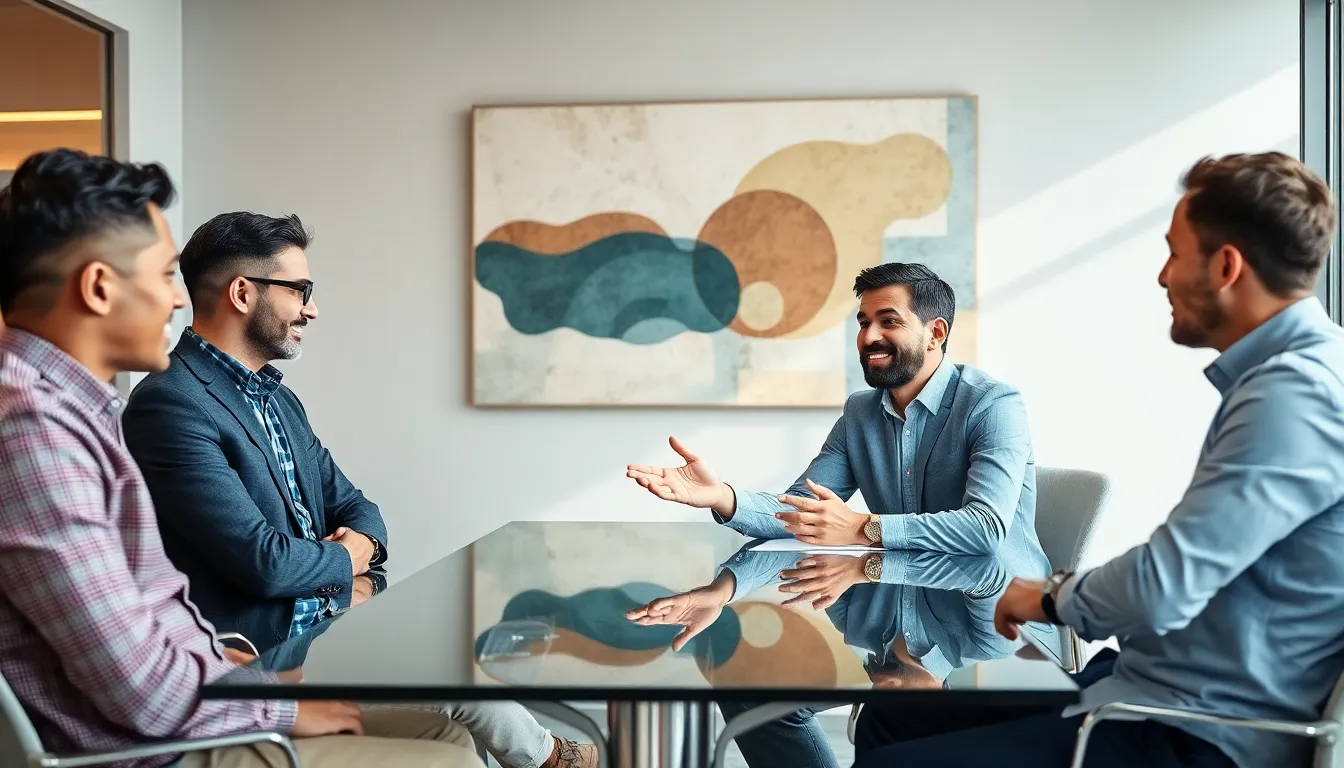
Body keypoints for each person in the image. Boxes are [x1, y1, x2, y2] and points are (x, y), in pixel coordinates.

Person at [0, 148, 481, 767]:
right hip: (145, 751)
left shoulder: (71, 412)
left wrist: (249, 677)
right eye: (164, 275)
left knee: (445, 733)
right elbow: (139, 687)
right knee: (448, 756)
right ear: (98, 288)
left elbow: (154, 615)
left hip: (196, 700)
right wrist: (278, 707)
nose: (177, 302)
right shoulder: (32, 431)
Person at [861, 151, 1344, 768]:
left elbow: (1163, 586)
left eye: (1175, 252)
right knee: (889, 718)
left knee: (891, 762)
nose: (1162, 276)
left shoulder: (1296, 396)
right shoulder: (1284, 382)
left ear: (1226, 266)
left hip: (1192, 729)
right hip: (1141, 689)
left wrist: (1050, 597)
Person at [120, 211, 596, 768]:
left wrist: (350, 569)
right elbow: (263, 562)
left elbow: (359, 509)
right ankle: (557, 760)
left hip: (331, 630)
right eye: (301, 290)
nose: (312, 308)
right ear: (243, 293)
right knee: (461, 690)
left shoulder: (278, 400)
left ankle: (553, 758)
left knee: (459, 694)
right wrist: (346, 566)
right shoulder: (170, 404)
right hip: (262, 660)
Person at [626, 262, 1051, 768]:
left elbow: (986, 534)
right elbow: (798, 514)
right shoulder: (861, 413)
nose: (869, 335)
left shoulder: (992, 405)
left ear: (936, 332)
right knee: (749, 690)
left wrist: (864, 529)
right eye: (863, 321)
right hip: (891, 609)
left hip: (1005, 625)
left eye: (888, 321)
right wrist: (723, 500)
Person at [626, 543, 1064, 768]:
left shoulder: (986, 645)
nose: (881, 696)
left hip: (1015, 637)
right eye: (897, 707)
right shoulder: (865, 617)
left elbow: (986, 564)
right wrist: (720, 593)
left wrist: (866, 562)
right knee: (744, 685)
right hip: (897, 609)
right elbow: (794, 542)